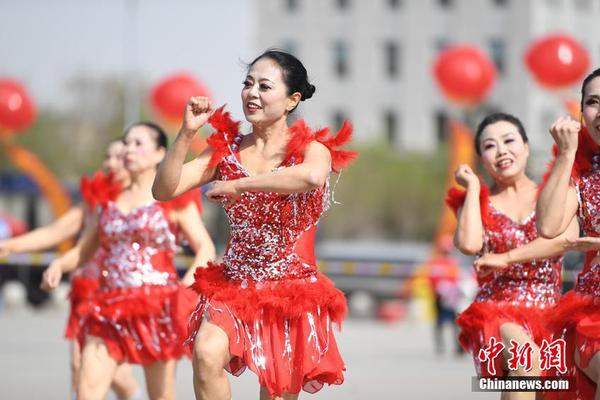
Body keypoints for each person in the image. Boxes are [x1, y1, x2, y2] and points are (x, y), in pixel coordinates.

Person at [153, 50, 356, 400]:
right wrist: (186, 134)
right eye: (247, 84)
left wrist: (241, 184)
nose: (252, 94)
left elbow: (309, 177)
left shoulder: (312, 148)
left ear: (293, 100)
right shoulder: (226, 150)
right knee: (205, 354)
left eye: (264, 86)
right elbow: (164, 189)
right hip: (234, 283)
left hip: (291, 291)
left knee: (276, 394)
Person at [51, 122, 215, 400]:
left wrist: (184, 291)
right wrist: (58, 265)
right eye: (126, 142)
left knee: (161, 395)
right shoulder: (108, 200)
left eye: (139, 143)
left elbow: (206, 249)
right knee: (86, 387)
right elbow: (83, 251)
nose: (129, 149)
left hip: (157, 308)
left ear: (159, 153)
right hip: (109, 306)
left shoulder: (173, 200)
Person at [447, 112, 578, 400]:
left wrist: (506, 258)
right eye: (490, 146)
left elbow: (564, 240)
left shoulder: (552, 194)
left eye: (509, 141)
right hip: (496, 313)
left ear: (527, 147)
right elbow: (468, 244)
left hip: (551, 314)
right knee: (526, 360)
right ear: (481, 157)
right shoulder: (479, 201)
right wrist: (472, 190)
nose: (502, 150)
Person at [0, 139, 141, 400]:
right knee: (79, 367)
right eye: (107, 157)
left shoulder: (144, 200)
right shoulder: (96, 199)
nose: (110, 163)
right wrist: (9, 246)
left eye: (119, 157)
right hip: (86, 291)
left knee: (117, 376)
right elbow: (59, 230)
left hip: (122, 295)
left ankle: (134, 394)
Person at [537, 67, 600, 400]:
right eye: (593, 102)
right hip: (595, 318)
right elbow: (549, 227)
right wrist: (565, 155)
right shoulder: (583, 178)